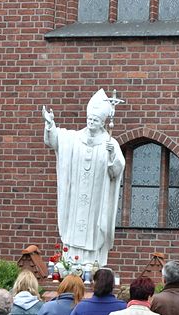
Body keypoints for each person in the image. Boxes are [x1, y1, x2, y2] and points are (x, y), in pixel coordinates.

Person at [42, 89, 125, 266]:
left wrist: (112, 156)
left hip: (96, 201)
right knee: (74, 229)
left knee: (93, 232)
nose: (91, 122)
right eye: (89, 119)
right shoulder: (74, 138)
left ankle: (93, 264)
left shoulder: (110, 143)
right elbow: (55, 141)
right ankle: (70, 262)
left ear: (102, 122)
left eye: (95, 120)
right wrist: (50, 125)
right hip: (75, 200)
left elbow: (116, 171)